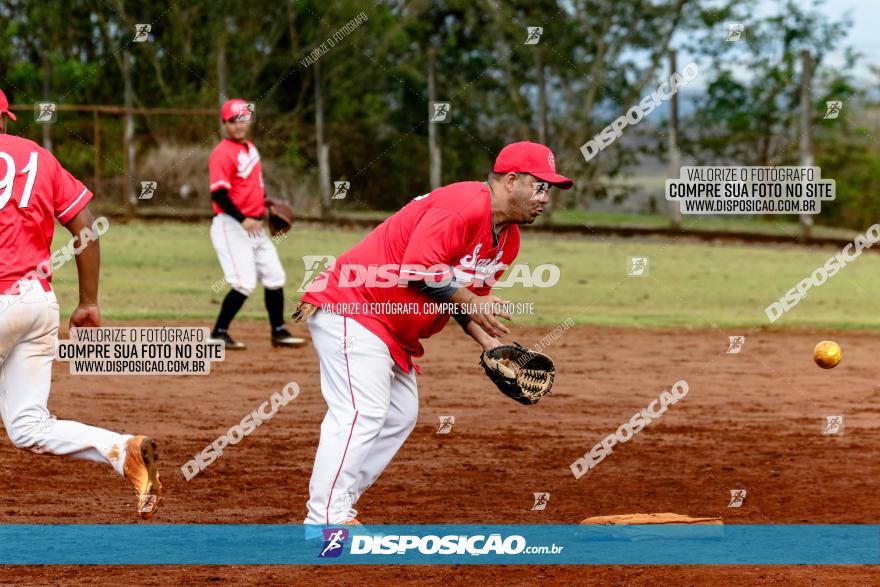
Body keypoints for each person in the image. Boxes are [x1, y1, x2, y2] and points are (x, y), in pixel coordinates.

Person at [297, 141, 573, 524]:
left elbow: (462, 299)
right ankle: (326, 516)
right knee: (363, 411)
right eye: (540, 186)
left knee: (399, 414)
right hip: (354, 303)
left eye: (549, 190)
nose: (545, 198)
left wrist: (490, 343)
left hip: (389, 329)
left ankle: (337, 503)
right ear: (511, 181)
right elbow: (419, 268)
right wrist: (472, 302)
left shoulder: (508, 241)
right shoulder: (464, 204)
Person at [0, 89, 161, 518]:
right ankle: (120, 450)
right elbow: (84, 225)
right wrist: (88, 301)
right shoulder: (39, 156)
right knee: (28, 427)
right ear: (4, 119)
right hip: (38, 304)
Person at [208, 98, 305, 350]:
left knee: (275, 276)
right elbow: (218, 194)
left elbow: (251, 189)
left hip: (255, 227)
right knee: (243, 283)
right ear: (224, 123)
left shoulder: (251, 149)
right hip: (232, 225)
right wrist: (242, 219)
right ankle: (218, 333)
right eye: (232, 121)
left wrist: (268, 203)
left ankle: (279, 331)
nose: (238, 126)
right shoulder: (221, 153)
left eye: (242, 119)